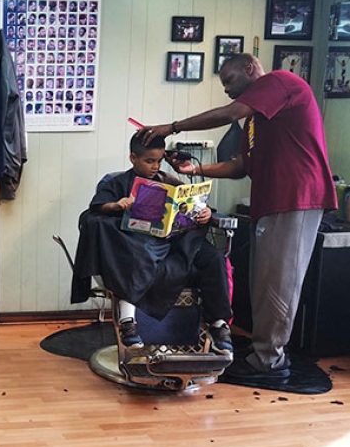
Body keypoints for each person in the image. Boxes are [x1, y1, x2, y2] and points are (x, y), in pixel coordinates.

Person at [139, 52, 336, 381]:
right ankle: (263, 350)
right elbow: (240, 167)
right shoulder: (257, 120)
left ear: (249, 68)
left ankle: (269, 361)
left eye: (229, 81)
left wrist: (173, 127)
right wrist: (196, 169)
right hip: (271, 201)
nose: (228, 90)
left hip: (296, 197)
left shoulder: (281, 82)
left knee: (279, 283)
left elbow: (232, 111)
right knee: (263, 281)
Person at [72, 135, 233, 354]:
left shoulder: (171, 181)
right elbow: (97, 208)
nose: (155, 166)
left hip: (175, 244)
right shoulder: (117, 183)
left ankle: (218, 324)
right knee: (138, 250)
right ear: (133, 158)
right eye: (149, 161)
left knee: (214, 258)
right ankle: (128, 321)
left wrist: (204, 213)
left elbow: (195, 206)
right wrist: (117, 205)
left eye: (158, 161)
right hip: (137, 246)